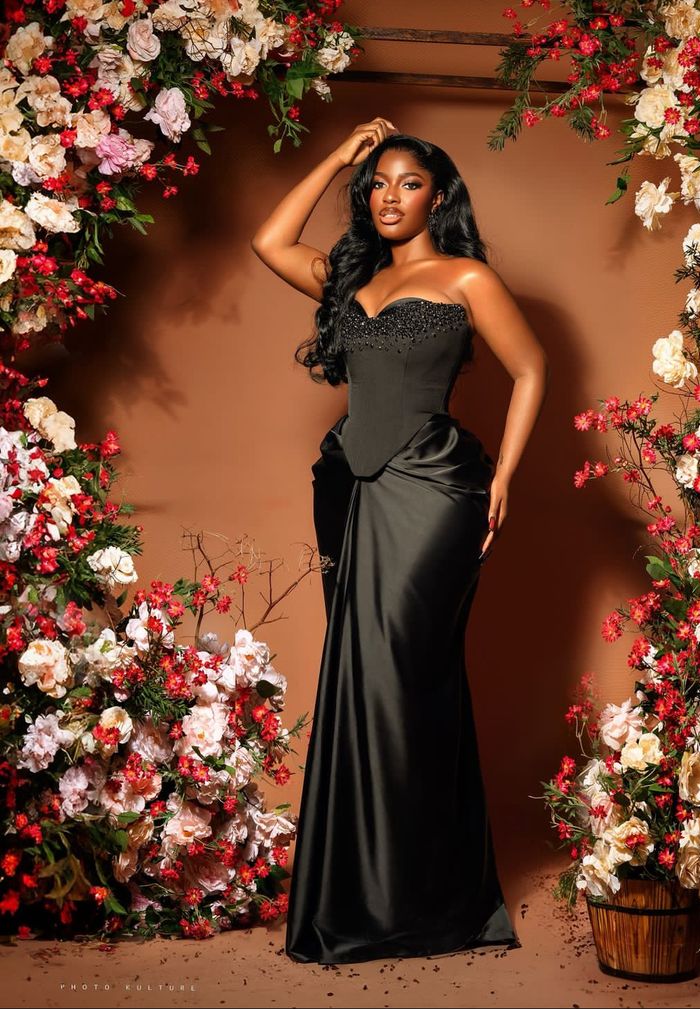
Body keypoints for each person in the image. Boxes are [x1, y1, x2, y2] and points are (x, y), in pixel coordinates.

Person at [251, 117, 548, 964]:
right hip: (348, 488)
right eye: (375, 181)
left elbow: (531, 367)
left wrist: (505, 479)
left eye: (407, 181)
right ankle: (374, 895)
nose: (387, 195)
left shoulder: (465, 276)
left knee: (402, 676)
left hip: (430, 490)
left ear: (438, 196)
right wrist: (338, 152)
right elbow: (268, 238)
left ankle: (421, 900)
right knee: (358, 679)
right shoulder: (350, 279)